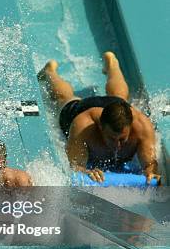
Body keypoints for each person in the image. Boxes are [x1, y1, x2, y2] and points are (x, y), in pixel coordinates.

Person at [39, 51, 160, 184]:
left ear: (130, 127)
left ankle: (112, 63)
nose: (117, 145)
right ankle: (50, 72)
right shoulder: (83, 127)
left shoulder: (142, 126)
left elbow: (150, 165)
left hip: (114, 107)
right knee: (64, 98)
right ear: (101, 127)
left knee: (119, 98)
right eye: (112, 138)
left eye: (122, 139)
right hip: (82, 110)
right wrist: (85, 171)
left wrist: (150, 173)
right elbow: (75, 166)